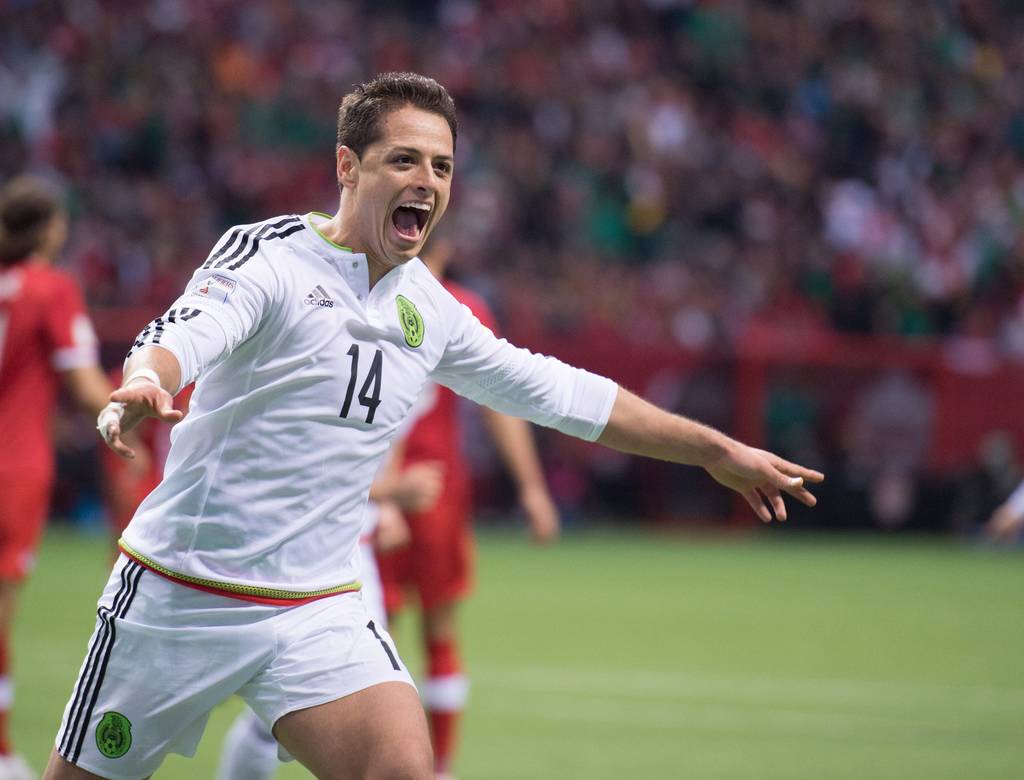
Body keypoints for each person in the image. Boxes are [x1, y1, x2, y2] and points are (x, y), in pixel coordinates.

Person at [45, 72, 822, 780]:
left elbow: (563, 395)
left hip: (316, 607)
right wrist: (147, 379)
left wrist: (713, 449)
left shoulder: (432, 310)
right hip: (181, 596)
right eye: (405, 160)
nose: (428, 181)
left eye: (443, 166)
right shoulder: (270, 256)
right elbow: (188, 330)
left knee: (403, 770)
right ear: (348, 167)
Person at [377, 234, 560, 779]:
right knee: (437, 630)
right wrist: (532, 487)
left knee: (371, 637)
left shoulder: (368, 295)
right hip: (432, 488)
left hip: (372, 488)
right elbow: (500, 402)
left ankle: (389, 764)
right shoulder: (459, 305)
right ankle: (439, 768)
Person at [0, 176, 112, 780]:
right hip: (13, 468)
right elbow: (86, 385)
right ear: (49, 228)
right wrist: (133, 410)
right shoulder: (52, 289)